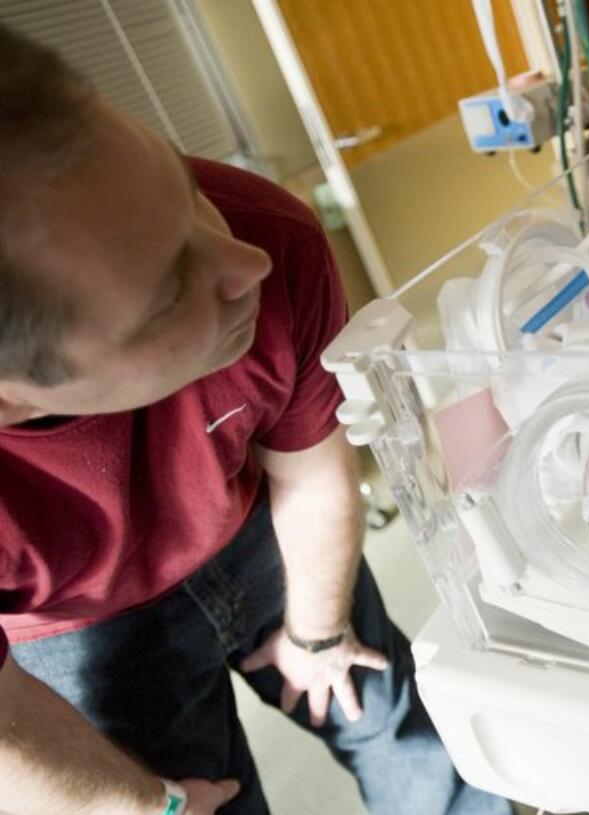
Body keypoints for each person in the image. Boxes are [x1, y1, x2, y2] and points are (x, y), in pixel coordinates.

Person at [0, 24, 510, 815]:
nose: (246, 264)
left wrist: (317, 630)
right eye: (169, 289)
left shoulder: (263, 232)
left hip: (256, 522)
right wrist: (139, 805)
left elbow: (309, 469)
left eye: (184, 185)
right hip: (73, 624)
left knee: (400, 721)